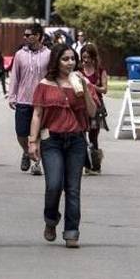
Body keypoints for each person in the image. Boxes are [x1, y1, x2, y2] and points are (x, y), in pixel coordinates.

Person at [27, 44, 96, 248]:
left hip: (76, 140)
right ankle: (51, 219)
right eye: (65, 59)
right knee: (54, 185)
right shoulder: (44, 84)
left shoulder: (82, 82)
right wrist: (32, 142)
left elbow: (92, 112)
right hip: (52, 141)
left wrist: (84, 91)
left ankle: (72, 232)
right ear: (56, 61)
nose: (70, 63)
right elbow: (37, 114)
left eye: (72, 59)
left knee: (73, 189)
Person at [8, 22, 51, 176]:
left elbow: (52, 76)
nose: (24, 37)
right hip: (23, 100)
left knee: (39, 134)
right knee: (21, 133)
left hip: (42, 101)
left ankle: (36, 162)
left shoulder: (48, 54)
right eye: (24, 35)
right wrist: (12, 96)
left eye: (28, 35)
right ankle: (27, 152)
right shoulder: (20, 54)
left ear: (38, 36)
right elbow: (15, 76)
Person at [78, 43, 108, 174]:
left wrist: (90, 85)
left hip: (96, 106)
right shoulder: (78, 70)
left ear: (93, 57)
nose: (85, 60)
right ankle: (85, 163)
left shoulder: (100, 71)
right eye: (83, 57)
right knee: (81, 135)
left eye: (88, 57)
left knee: (93, 136)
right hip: (81, 106)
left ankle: (95, 165)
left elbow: (104, 89)